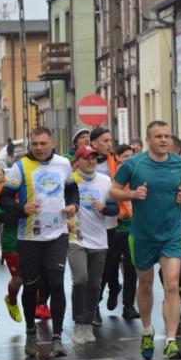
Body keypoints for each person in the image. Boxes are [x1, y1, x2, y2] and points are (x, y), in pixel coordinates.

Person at [110, 120, 181, 360]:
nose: (164, 140)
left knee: (172, 285)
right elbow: (113, 191)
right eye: (158, 136)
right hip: (143, 235)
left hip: (171, 233)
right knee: (145, 286)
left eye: (167, 136)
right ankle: (147, 330)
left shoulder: (179, 163)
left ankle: (171, 341)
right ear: (148, 140)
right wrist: (132, 194)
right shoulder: (134, 164)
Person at [0, 126, 79, 358]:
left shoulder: (63, 164)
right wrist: (21, 208)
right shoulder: (20, 167)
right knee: (30, 285)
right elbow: (3, 199)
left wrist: (74, 206)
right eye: (35, 144)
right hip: (30, 236)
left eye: (43, 143)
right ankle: (31, 330)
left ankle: (57, 338)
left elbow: (73, 191)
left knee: (56, 283)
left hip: (57, 233)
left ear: (52, 143)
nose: (39, 148)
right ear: (30, 145)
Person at [68, 145, 118, 345]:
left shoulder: (105, 181)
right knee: (80, 280)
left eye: (94, 158)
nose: (91, 162)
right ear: (77, 161)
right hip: (75, 239)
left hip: (99, 240)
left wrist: (105, 207)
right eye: (87, 158)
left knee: (94, 284)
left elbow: (115, 208)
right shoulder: (70, 181)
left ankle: (88, 323)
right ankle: (78, 322)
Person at [89, 127, 120, 325]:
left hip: (110, 223)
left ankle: (114, 287)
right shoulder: (83, 162)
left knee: (109, 268)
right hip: (88, 226)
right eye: (105, 140)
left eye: (111, 140)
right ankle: (95, 307)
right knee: (93, 272)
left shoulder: (114, 164)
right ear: (94, 144)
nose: (109, 144)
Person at [105, 144, 139, 319]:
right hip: (116, 227)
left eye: (131, 156)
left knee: (131, 268)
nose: (129, 159)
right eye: (125, 156)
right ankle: (113, 288)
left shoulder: (137, 174)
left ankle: (128, 306)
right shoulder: (115, 175)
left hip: (133, 227)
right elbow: (109, 195)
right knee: (109, 265)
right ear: (117, 157)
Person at [0, 159, 23, 323]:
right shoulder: (7, 190)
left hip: (34, 239)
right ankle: (11, 300)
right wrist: (18, 217)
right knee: (19, 279)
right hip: (12, 240)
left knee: (36, 278)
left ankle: (38, 309)